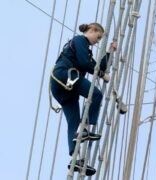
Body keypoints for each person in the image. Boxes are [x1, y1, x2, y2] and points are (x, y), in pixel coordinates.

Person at [50, 23, 117, 176]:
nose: (98, 41)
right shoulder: (80, 40)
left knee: (73, 122)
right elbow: (85, 63)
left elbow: (95, 65)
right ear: (91, 30)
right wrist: (101, 75)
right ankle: (86, 128)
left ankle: (75, 160)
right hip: (65, 74)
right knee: (96, 94)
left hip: (64, 88)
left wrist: (109, 52)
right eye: (98, 37)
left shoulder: (85, 49)